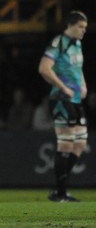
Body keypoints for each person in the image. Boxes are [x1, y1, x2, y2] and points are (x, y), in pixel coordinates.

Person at [38, 10, 88, 202]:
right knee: (66, 144)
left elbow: (78, 68)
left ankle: (59, 189)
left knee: (80, 144)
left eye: (85, 28)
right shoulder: (59, 43)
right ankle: (60, 193)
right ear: (70, 25)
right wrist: (63, 87)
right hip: (61, 99)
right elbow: (43, 68)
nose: (83, 31)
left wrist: (83, 85)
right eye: (81, 27)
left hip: (75, 100)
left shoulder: (77, 44)